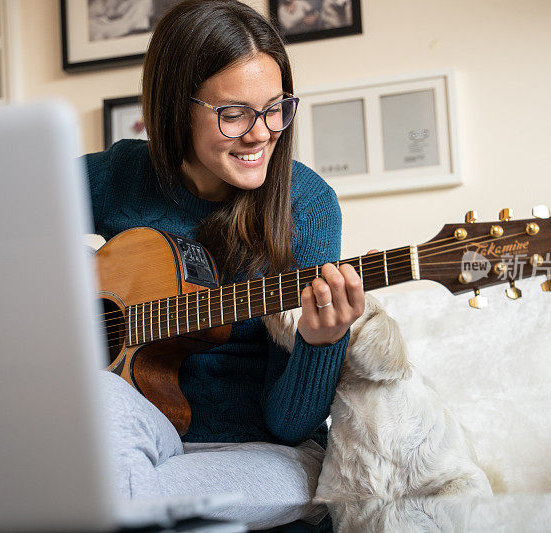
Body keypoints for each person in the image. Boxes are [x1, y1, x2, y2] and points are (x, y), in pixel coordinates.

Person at [83, 1, 364, 530]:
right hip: (136, 433)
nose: (261, 133)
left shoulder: (306, 206)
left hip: (260, 453)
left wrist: (321, 343)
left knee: (122, 490)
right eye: (233, 114)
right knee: (98, 407)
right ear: (174, 108)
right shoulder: (118, 176)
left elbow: (290, 425)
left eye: (277, 107)